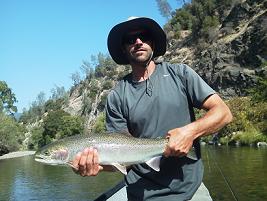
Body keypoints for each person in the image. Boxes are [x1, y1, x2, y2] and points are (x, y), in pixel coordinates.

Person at [72, 17, 233, 201]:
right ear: (124, 48)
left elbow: (223, 113)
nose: (138, 42)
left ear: (153, 42)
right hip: (140, 194)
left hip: (190, 190)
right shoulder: (116, 96)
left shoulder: (180, 73)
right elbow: (122, 160)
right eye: (130, 40)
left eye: (144, 36)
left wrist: (190, 132)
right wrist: (97, 164)